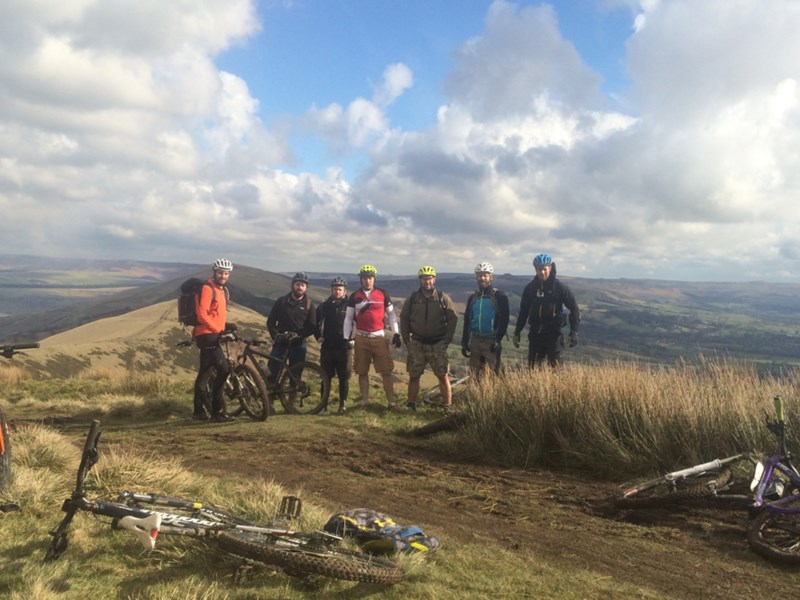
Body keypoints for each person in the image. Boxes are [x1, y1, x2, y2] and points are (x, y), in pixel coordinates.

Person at [342, 265, 402, 411]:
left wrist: (396, 333)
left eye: (370, 278)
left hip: (379, 337)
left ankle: (391, 403)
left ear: (374, 279)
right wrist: (345, 337)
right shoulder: (354, 296)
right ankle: (365, 402)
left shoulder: (382, 294)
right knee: (362, 371)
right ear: (361, 279)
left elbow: (392, 315)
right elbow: (348, 318)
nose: (367, 281)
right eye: (364, 278)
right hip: (361, 337)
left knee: (386, 371)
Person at [400, 266, 458, 411]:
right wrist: (407, 340)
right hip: (417, 343)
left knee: (443, 376)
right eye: (424, 278)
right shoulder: (413, 298)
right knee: (414, 376)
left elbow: (453, 319)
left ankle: (447, 407)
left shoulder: (443, 298)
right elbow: (404, 318)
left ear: (434, 279)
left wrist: (446, 340)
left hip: (437, 343)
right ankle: (411, 405)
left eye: (430, 278)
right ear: (420, 280)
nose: (427, 281)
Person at [513, 253, 580, 368]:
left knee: (556, 370)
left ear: (550, 268)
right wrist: (517, 331)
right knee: (533, 369)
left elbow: (574, 309)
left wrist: (574, 332)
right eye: (539, 269)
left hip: (553, 334)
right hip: (535, 334)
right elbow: (523, 311)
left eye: (544, 269)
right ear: (535, 269)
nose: (542, 272)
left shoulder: (559, 287)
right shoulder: (530, 288)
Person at [193, 258, 236, 422]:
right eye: (220, 273)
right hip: (206, 335)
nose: (223, 276)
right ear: (214, 273)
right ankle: (216, 412)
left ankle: (198, 412)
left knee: (204, 373)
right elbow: (202, 314)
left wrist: (227, 326)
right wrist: (218, 331)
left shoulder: (222, 290)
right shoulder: (207, 288)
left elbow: (215, 315)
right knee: (224, 369)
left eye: (226, 273)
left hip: (213, 334)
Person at [265, 272, 317, 388]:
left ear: (306, 288)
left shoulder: (309, 305)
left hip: (298, 345)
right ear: (292, 285)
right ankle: (270, 402)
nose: (300, 287)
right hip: (280, 343)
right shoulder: (281, 301)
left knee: (295, 376)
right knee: (272, 373)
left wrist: (299, 335)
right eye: (298, 284)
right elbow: (271, 322)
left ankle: (290, 404)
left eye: (303, 285)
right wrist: (276, 335)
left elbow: (312, 326)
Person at [461, 262, 510, 376]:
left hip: (491, 340)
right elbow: (468, 320)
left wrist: (498, 339)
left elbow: (504, 320)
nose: (482, 278)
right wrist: (465, 341)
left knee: (491, 376)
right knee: (474, 376)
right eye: (479, 275)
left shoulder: (499, 296)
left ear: (491, 277)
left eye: (485, 275)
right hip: (475, 340)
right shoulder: (473, 298)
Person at [315, 276, 353, 413]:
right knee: (326, 377)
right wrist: (318, 337)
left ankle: (342, 405)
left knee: (344, 378)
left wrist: (353, 339)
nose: (337, 291)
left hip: (345, 348)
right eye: (335, 289)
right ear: (331, 290)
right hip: (328, 347)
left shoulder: (350, 305)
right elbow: (316, 322)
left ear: (345, 291)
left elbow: (359, 322)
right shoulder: (324, 306)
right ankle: (322, 404)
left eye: (340, 289)